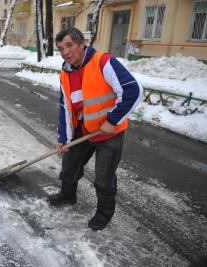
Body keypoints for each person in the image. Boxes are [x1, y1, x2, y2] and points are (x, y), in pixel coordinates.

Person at [47, 27, 142, 231]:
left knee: (104, 178)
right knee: (69, 165)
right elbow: (66, 107)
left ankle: (104, 214)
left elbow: (133, 90)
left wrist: (113, 120)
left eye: (69, 45)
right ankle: (67, 196)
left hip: (109, 133)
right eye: (61, 48)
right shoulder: (66, 72)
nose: (65, 52)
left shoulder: (103, 62)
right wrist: (64, 137)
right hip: (83, 129)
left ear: (82, 44)